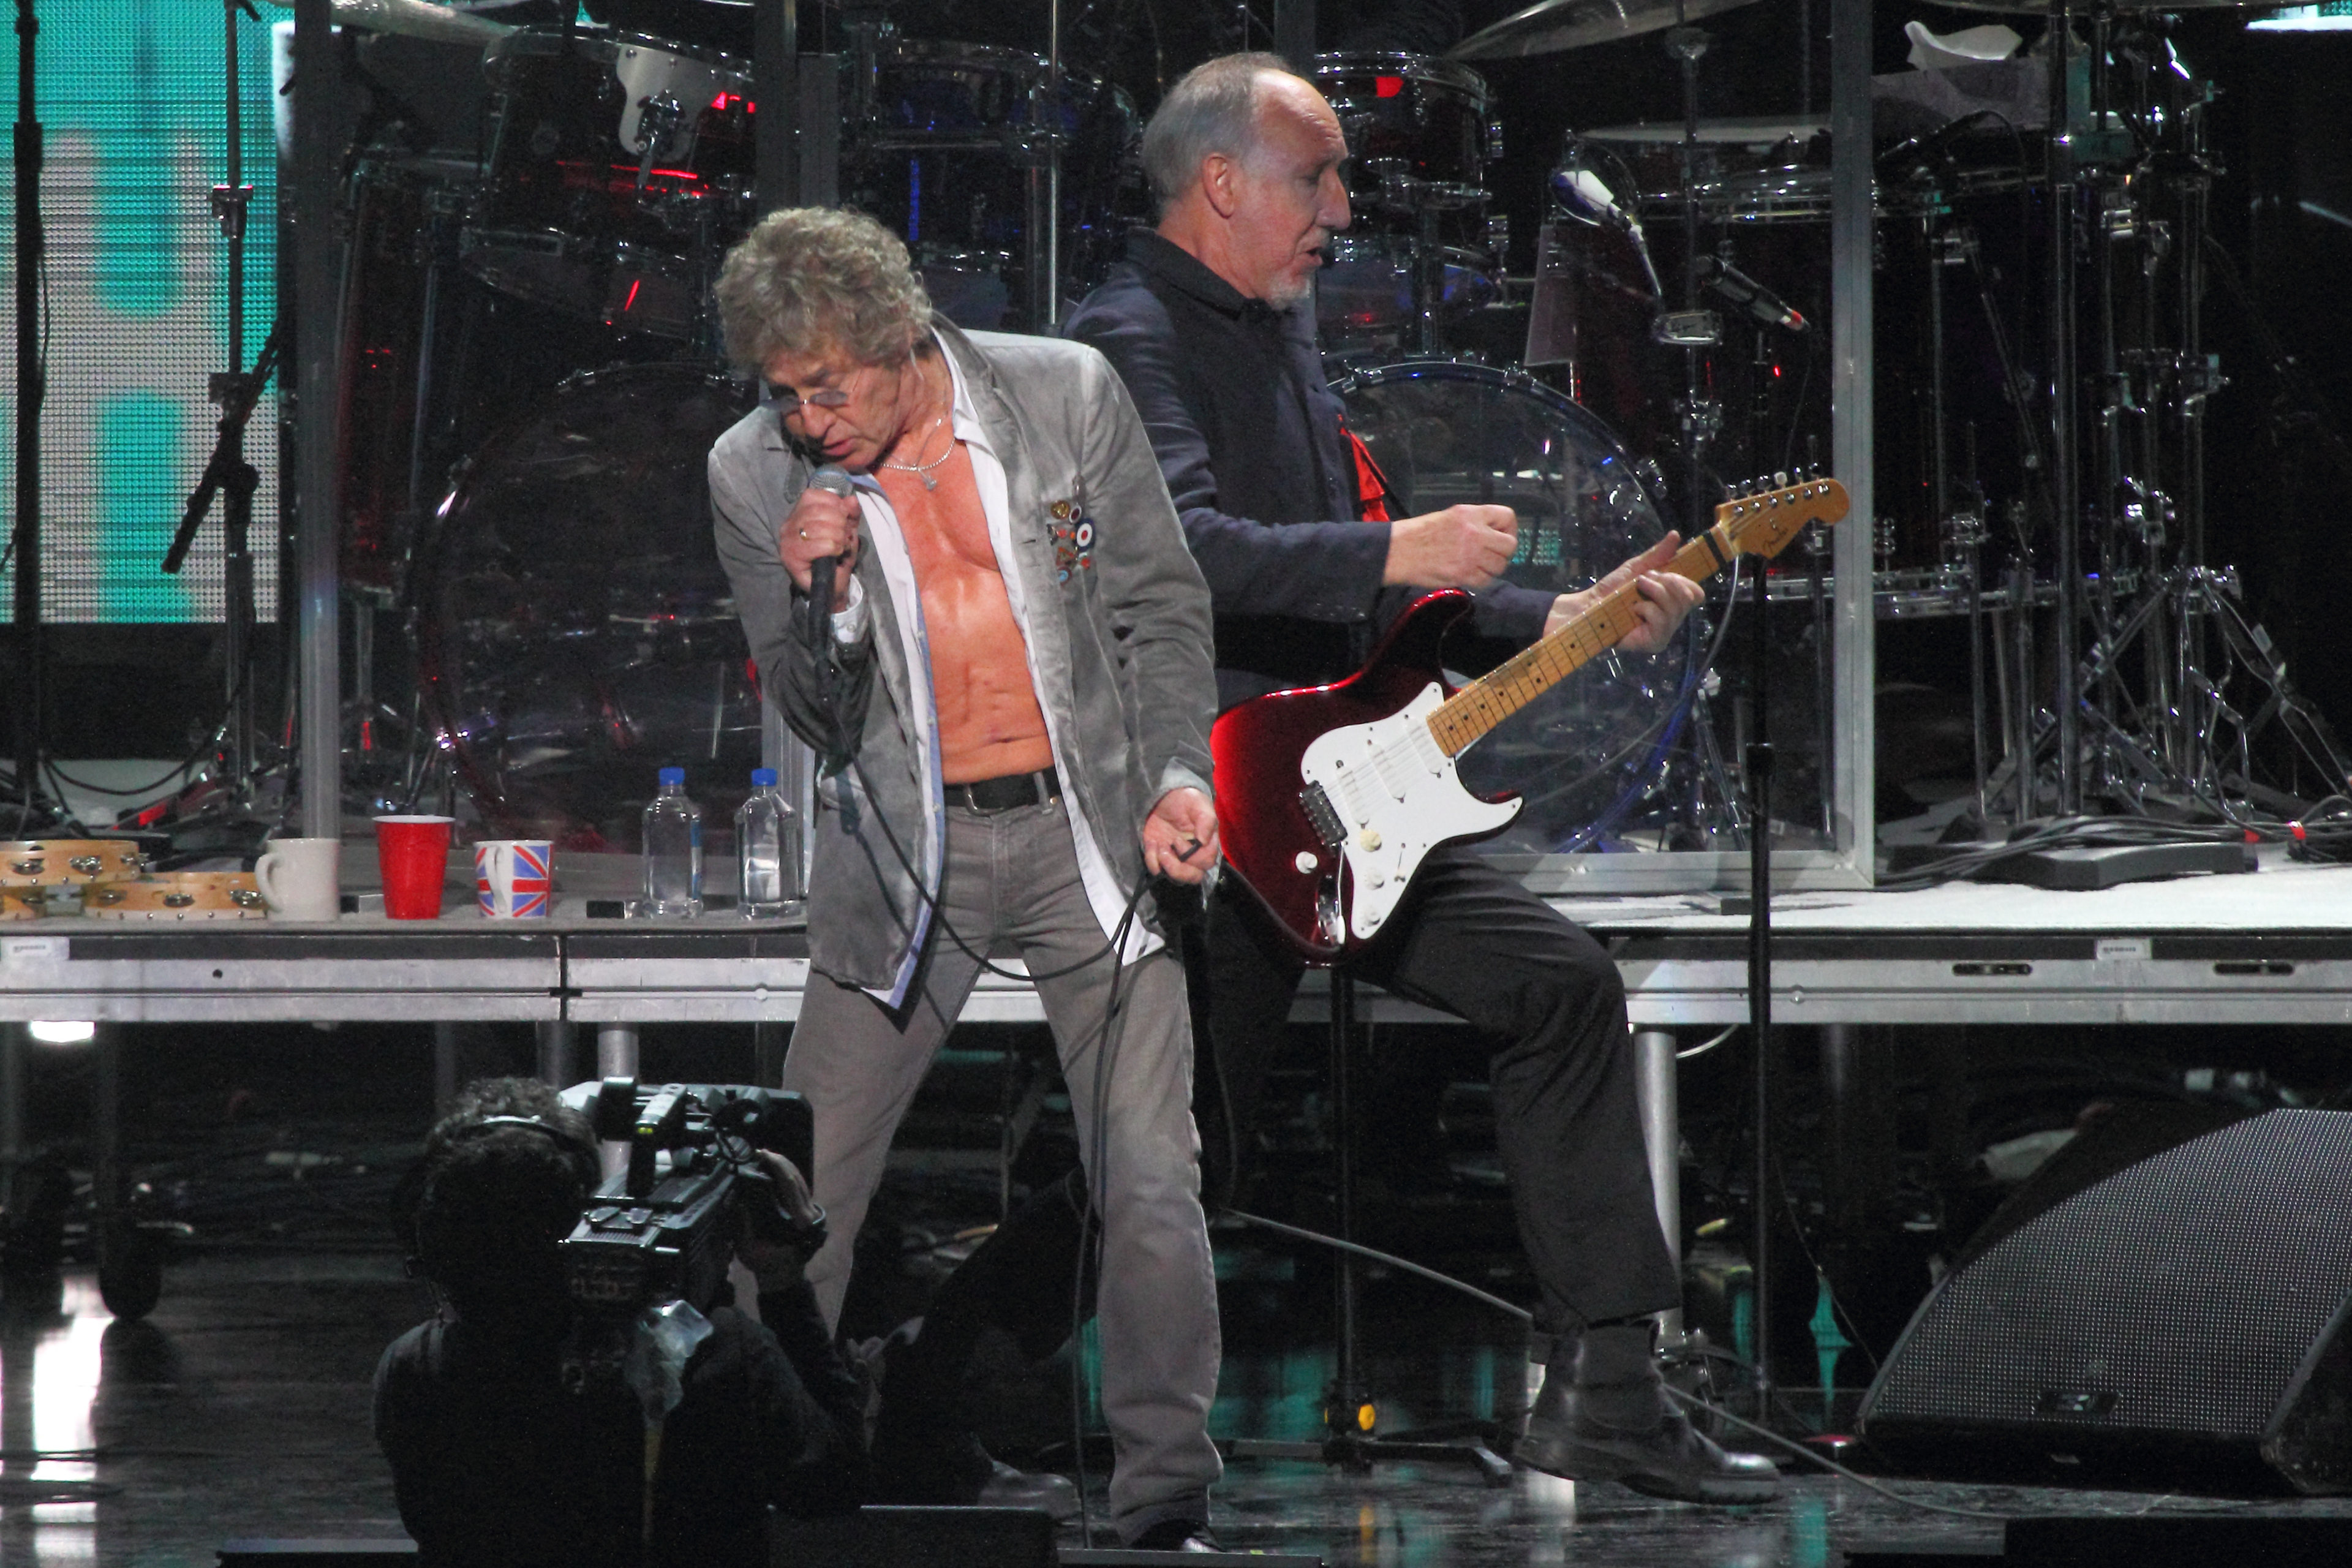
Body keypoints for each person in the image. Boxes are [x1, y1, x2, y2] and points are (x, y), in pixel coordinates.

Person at [1061, 53, 1779, 1504]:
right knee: (1180, 1146)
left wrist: (1555, 616)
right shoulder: (1125, 336)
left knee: (1559, 985)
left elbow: (1361, 599)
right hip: (1212, 805)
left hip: (1343, 796)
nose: (1341, 208)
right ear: (1220, 184)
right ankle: (959, 1376)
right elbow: (1183, 552)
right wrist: (1401, 548)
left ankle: (1611, 1396)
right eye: (1315, 176)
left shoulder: (1277, 333)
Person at [706, 208, 1227, 1551]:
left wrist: (1180, 776)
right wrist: (821, 594)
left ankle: (1165, 1494)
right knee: (797, 1190)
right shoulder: (753, 472)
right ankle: (757, 1477)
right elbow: (815, 715)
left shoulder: (1063, 395)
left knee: (1149, 1175)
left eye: (831, 388)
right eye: (785, 393)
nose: (810, 420)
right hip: (902, 857)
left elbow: (1162, 605)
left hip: (1084, 832)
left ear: (902, 339)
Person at [374, 1077, 865, 1568]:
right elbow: (831, 1486)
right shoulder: (715, 1352)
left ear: (434, 1234)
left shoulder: (415, 1369)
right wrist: (783, 1281)